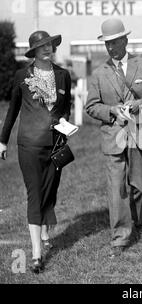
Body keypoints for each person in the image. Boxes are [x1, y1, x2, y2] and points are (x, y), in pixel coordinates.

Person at [85, 18, 142, 256]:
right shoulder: (99, 73)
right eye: (107, 43)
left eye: (115, 42)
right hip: (113, 137)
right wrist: (111, 110)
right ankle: (120, 237)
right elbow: (91, 106)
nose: (111, 47)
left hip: (141, 133)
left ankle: (137, 220)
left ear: (125, 40)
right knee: (116, 189)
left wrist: (137, 105)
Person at [0, 31, 72, 273]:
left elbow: (66, 108)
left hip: (56, 143)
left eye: (49, 44)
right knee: (35, 195)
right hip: (29, 145)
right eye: (41, 46)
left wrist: (66, 124)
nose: (47, 48)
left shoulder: (63, 75)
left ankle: (44, 228)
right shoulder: (22, 76)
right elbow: (12, 111)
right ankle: (36, 256)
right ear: (33, 50)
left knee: (50, 192)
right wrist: (2, 141)